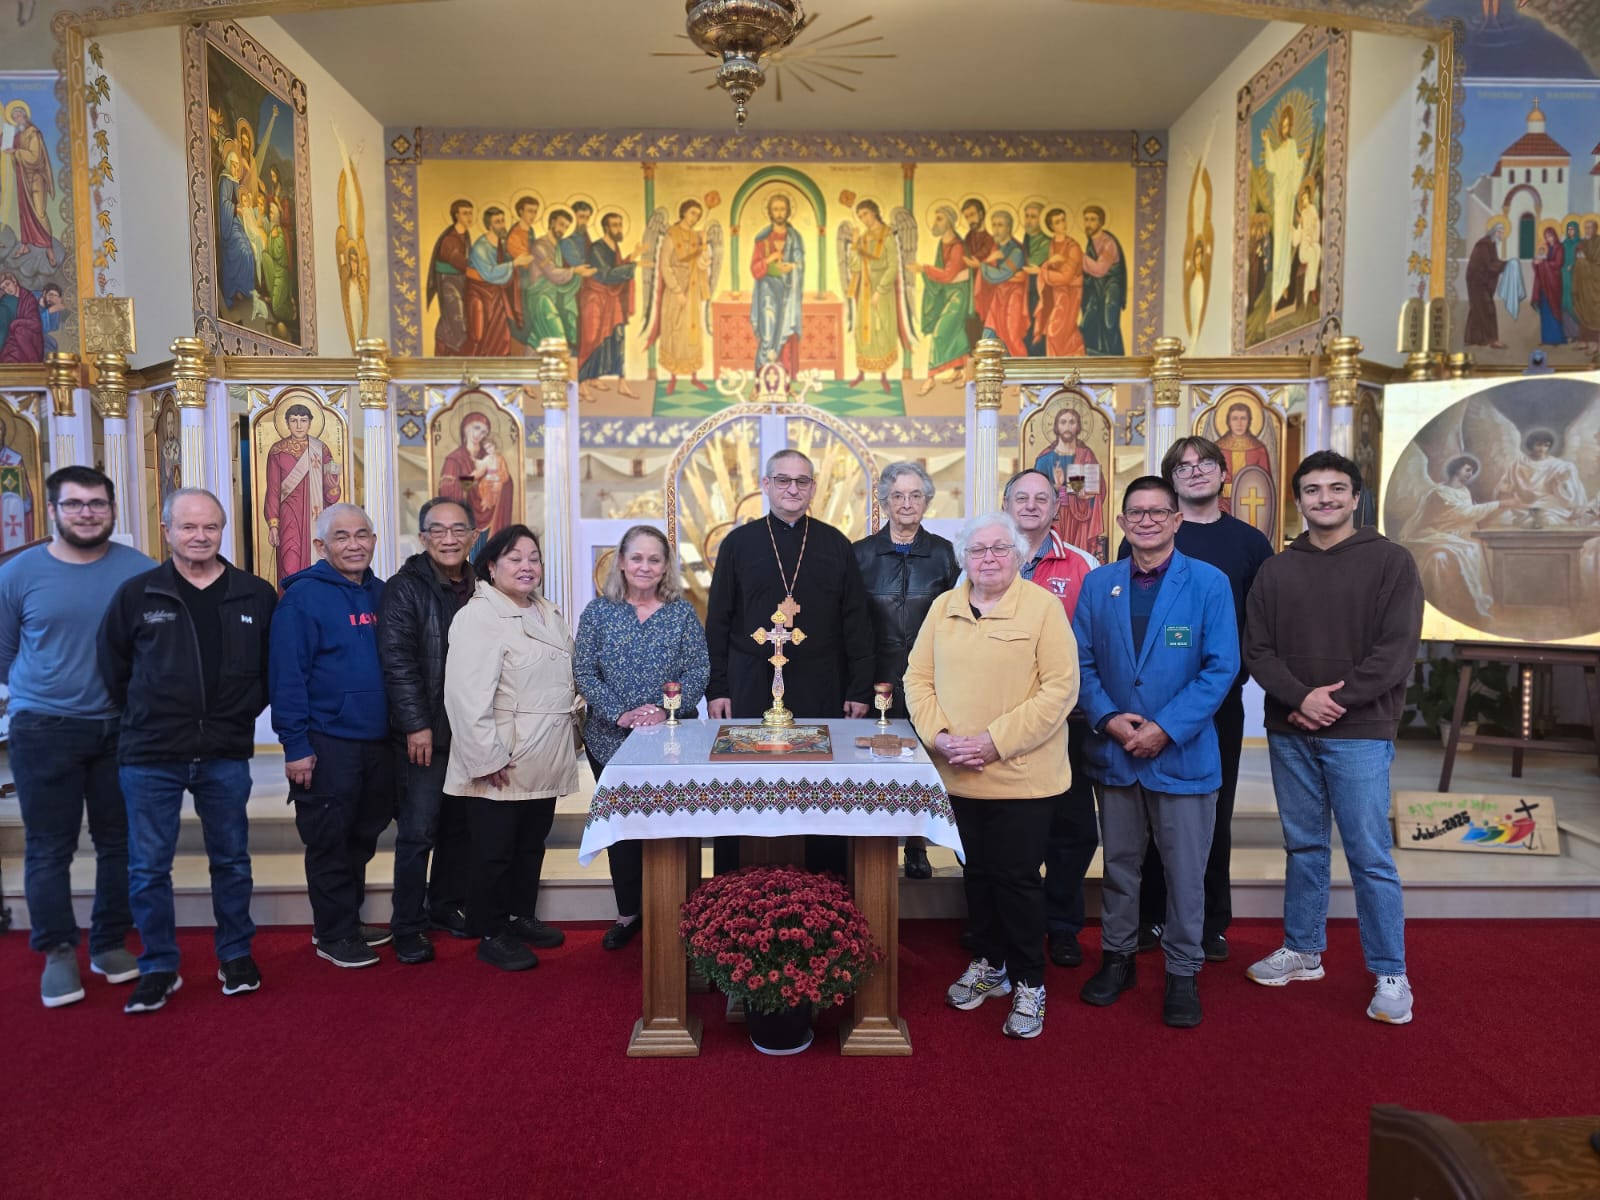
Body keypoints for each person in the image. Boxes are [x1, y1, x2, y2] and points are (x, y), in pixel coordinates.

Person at [1244, 451, 1424, 1025]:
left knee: (1370, 856)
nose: (1325, 498)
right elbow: (1257, 649)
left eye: (1336, 489)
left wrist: (1330, 701)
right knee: (1303, 845)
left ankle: (1391, 972)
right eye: (1314, 490)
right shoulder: (1276, 568)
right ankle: (1303, 949)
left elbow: (1394, 653)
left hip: (1361, 732)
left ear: (1355, 497)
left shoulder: (1391, 562)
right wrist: (1301, 698)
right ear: (1299, 501)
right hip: (1291, 729)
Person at [97, 488, 276, 1012]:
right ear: (167, 530)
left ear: (223, 531)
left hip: (224, 752)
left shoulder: (254, 593)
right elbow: (114, 670)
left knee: (232, 861)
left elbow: (269, 673)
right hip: (151, 753)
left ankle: (236, 954)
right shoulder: (138, 594)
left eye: (211, 527)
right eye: (189, 527)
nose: (200, 536)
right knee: (149, 867)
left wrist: (236, 713)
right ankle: (158, 965)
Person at [904, 511, 1079, 1040]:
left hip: (1023, 776)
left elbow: (1060, 690)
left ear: (1019, 555)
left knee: (1018, 879)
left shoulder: (1043, 608)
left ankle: (1029, 981)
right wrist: (940, 737)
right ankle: (990, 964)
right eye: (977, 550)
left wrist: (993, 742)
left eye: (999, 549)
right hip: (958, 773)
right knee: (976, 875)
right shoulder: (944, 607)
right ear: (963, 558)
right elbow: (917, 677)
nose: (988, 558)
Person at [1075, 476, 1238, 1028]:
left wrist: (1165, 728)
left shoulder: (1209, 584)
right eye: (1135, 513)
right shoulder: (1100, 586)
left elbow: (1222, 668)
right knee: (1120, 868)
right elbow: (1081, 664)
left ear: (1176, 521)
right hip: (1117, 754)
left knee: (1186, 873)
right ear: (1121, 523)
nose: (1146, 521)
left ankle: (1182, 972)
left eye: (1157, 513)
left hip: (1183, 755)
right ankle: (1118, 960)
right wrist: (1110, 720)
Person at [0, 466, 154, 1008]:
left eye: (96, 503)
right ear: (53, 512)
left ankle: (109, 942)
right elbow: (5, 651)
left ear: (113, 509)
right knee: (49, 846)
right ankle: (59, 951)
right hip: (45, 728)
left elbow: (153, 648)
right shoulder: (18, 574)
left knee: (121, 843)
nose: (86, 512)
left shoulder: (140, 571)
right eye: (74, 504)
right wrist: (47, 690)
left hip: (121, 729)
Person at [1122, 437, 1274, 963]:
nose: (1194, 472)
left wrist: (1236, 678)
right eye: (1182, 467)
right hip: (1144, 705)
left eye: (1205, 463)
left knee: (1212, 813)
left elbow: (1259, 623)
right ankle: (1149, 916)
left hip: (1212, 704)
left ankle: (1209, 922)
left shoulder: (1250, 543)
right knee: (1146, 815)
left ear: (1224, 473)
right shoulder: (1143, 537)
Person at [704, 448, 874, 873]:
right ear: (766, 485)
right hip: (749, 682)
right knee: (743, 783)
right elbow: (719, 620)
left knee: (820, 783)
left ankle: (826, 883)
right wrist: (717, 687)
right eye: (783, 480)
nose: (792, 489)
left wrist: (858, 688)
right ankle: (736, 883)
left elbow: (856, 620)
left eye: (802, 481)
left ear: (814, 487)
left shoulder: (835, 544)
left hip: (821, 683)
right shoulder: (738, 544)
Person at [444, 524, 579, 972]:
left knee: (529, 844)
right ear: (490, 565)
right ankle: (489, 930)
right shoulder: (479, 616)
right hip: (503, 757)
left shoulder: (547, 611)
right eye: (515, 558)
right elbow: (465, 696)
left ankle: (520, 916)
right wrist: (486, 757)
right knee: (493, 850)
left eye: (534, 558)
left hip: (542, 753)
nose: (527, 566)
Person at [268, 502, 395, 969]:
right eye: (342, 537)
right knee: (329, 839)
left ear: (374, 540)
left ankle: (349, 919)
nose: (354, 544)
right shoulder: (302, 599)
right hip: (327, 740)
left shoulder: (384, 595)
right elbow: (287, 677)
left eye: (362, 534)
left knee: (362, 836)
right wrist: (295, 746)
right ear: (321, 546)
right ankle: (332, 933)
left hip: (378, 742)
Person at [574, 525, 709, 947]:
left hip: (670, 738)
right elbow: (583, 672)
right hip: (609, 739)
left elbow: (698, 669)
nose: (645, 567)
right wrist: (622, 713)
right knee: (624, 828)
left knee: (672, 826)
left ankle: (679, 911)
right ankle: (628, 913)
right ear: (621, 562)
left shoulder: (681, 612)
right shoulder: (598, 613)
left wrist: (660, 709)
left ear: (666, 566)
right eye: (637, 558)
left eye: (655, 559)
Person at [999, 468, 1099, 969]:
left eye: (1042, 498)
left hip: (1067, 722)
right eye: (1022, 497)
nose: (1032, 506)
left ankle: (1061, 925)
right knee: (1006, 827)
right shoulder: (986, 558)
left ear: (1056, 507)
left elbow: (1097, 642)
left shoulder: (1083, 565)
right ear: (1006, 504)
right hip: (999, 723)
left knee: (1071, 827)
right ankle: (1002, 924)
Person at [377, 497, 477, 963]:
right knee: (418, 831)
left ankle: (444, 906)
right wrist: (416, 724)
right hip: (425, 734)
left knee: (459, 829)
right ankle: (408, 923)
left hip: (470, 733)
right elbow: (397, 663)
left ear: (474, 536)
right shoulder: (404, 588)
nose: (449, 538)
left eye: (459, 530)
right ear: (423, 538)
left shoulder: (484, 587)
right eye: (438, 530)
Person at [851, 462, 960, 879]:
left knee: (924, 762)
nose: (907, 503)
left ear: (927, 500)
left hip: (931, 676)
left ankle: (917, 845)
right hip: (876, 674)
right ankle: (871, 844)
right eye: (898, 495)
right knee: (873, 758)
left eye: (916, 495)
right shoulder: (860, 554)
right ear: (884, 502)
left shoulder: (945, 554)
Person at [1398, 454, 1506, 622]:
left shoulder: (1464, 491)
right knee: (1466, 549)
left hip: (1455, 535)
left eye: (1472, 471)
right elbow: (1462, 513)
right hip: (1432, 533)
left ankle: (1469, 601)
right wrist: (1498, 504)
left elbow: (1466, 519)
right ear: (1456, 468)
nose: (1470, 474)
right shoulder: (1439, 493)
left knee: (1476, 547)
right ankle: (1448, 603)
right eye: (1468, 470)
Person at [264, 402, 341, 586]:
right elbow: (273, 489)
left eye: (303, 421)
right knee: (289, 565)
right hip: (288, 517)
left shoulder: (320, 449)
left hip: (315, 516)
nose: (299, 425)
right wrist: (273, 525)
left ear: (310, 423)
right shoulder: (277, 451)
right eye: (294, 421)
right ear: (287, 423)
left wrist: (333, 485)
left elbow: (331, 494)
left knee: (317, 564)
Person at [645, 199, 711, 393]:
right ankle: (673, 376)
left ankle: (693, 375)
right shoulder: (671, 235)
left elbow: (702, 263)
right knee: (674, 330)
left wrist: (704, 243)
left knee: (692, 332)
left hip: (692, 288)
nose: (695, 218)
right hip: (676, 289)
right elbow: (664, 264)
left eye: (698, 215)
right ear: (683, 212)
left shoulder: (696, 236)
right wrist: (676, 290)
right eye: (692, 213)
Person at [577, 211, 639, 398]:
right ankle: (582, 382)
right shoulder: (597, 248)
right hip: (595, 299)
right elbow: (605, 274)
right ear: (606, 228)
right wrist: (633, 266)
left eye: (620, 224)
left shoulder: (615, 248)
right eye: (615, 225)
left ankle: (621, 382)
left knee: (617, 337)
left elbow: (616, 269)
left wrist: (632, 257)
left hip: (612, 299)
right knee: (592, 338)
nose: (619, 228)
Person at [1033, 405, 1105, 562]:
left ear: (1078, 427)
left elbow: (1099, 492)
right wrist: (1057, 488)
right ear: (1056, 427)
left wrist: (1086, 494)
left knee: (1080, 558)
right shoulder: (1045, 459)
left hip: (1081, 519)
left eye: (1072, 422)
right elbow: (1035, 492)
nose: (1067, 427)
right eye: (1063, 422)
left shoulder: (1086, 456)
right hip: (1056, 519)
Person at [439, 412, 514, 556]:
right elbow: (449, 491)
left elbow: (506, 479)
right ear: (466, 428)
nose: (479, 434)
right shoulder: (455, 459)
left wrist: (501, 485)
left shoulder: (488, 455)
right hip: (468, 518)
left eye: (484, 432)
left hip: (490, 512)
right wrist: (472, 480)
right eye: (476, 428)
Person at [918, 205, 973, 393]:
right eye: (935, 219)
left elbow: (948, 275)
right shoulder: (942, 243)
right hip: (948, 293)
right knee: (957, 333)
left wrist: (924, 269)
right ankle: (963, 371)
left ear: (949, 221)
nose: (935, 223)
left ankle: (930, 378)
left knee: (940, 332)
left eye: (940, 219)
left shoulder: (957, 246)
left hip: (959, 294)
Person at [751, 193, 805, 376]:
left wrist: (792, 267)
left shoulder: (795, 238)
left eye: (782, 209)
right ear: (770, 212)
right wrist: (769, 259)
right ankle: (761, 381)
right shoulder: (762, 239)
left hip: (788, 293)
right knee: (767, 336)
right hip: (768, 293)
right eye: (776, 209)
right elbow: (755, 270)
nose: (779, 213)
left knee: (786, 337)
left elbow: (800, 265)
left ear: (788, 211)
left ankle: (785, 383)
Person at [466, 206, 529, 358]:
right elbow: (489, 273)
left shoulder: (502, 244)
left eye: (502, 220)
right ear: (489, 225)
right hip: (481, 293)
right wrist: (514, 264)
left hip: (495, 292)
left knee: (503, 335)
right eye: (497, 222)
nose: (502, 225)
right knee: (484, 334)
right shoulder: (481, 247)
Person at [1495, 428, 1585, 522]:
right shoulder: (1517, 464)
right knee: (1503, 520)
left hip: (1548, 505)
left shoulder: (1558, 466)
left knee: (1548, 520)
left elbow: (1566, 493)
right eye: (1538, 445)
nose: (1542, 449)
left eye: (1546, 445)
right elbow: (1505, 486)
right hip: (1521, 504)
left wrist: (1561, 480)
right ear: (1531, 445)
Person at [6, 100, 56, 265]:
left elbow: (34, 158)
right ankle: (25, 245)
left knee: (40, 213)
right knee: (24, 212)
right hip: (23, 178)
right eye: (14, 117)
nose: (16, 119)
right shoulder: (18, 135)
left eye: (18, 115)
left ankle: (49, 248)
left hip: (35, 178)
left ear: (25, 116)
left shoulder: (33, 133)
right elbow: (8, 146)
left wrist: (17, 152)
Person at [1032, 207, 1086, 357]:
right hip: (1056, 293)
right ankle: (1062, 363)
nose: (1063, 224)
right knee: (1061, 331)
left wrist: (1042, 272)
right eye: (1058, 222)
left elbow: (1066, 277)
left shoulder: (1073, 247)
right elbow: (1045, 263)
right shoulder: (1050, 245)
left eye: (1063, 220)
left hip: (1070, 293)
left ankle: (1064, 361)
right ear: (1051, 227)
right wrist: (1047, 265)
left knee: (1056, 331)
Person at [425, 199, 474, 355]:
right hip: (449, 283)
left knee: (455, 318)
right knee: (456, 319)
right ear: (456, 215)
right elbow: (459, 261)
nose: (469, 217)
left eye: (470, 213)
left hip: (462, 282)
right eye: (465, 213)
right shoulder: (450, 239)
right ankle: (450, 354)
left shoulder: (465, 235)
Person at [978, 210, 1029, 358]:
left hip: (1013, 296)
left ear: (1009, 228)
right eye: (994, 225)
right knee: (988, 334)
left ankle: (1022, 372)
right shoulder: (996, 249)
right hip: (999, 296)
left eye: (1000, 225)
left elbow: (999, 275)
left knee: (1011, 335)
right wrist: (988, 261)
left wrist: (982, 265)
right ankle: (989, 371)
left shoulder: (1016, 251)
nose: (996, 229)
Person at [1079, 206, 1126, 356]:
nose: (1088, 224)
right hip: (1097, 289)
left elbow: (1100, 269)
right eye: (1086, 220)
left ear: (1101, 222)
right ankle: (1095, 354)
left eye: (1093, 220)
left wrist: (1078, 256)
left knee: (1109, 322)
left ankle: (1115, 358)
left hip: (1111, 287)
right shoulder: (1090, 243)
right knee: (1089, 321)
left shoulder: (1108, 243)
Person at [1216, 401, 1273, 521]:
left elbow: (1264, 483)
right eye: (1235, 418)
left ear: (1249, 421)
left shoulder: (1259, 449)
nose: (1239, 423)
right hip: (1222, 506)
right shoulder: (1217, 448)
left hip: (1250, 504)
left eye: (1243, 418)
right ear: (1228, 422)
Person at [1530, 226, 1567, 348]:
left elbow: (1558, 263)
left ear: (1554, 235)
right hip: (1543, 284)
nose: (1548, 239)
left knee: (1554, 309)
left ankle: (1556, 338)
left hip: (1553, 283)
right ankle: (1546, 338)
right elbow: (1539, 260)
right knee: (1545, 310)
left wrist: (1543, 263)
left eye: (1550, 236)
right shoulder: (1545, 247)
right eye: (1546, 236)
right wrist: (1535, 262)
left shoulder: (1559, 248)